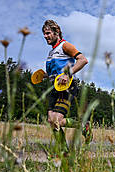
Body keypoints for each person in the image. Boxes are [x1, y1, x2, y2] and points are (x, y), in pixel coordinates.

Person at [42, 20, 88, 153]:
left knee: (57, 120)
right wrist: (44, 75)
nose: (45, 36)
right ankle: (64, 153)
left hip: (66, 87)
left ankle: (83, 126)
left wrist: (68, 73)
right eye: (44, 34)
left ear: (57, 33)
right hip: (54, 89)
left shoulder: (65, 45)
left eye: (48, 33)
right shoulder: (51, 53)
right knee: (51, 122)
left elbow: (83, 60)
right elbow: (55, 73)